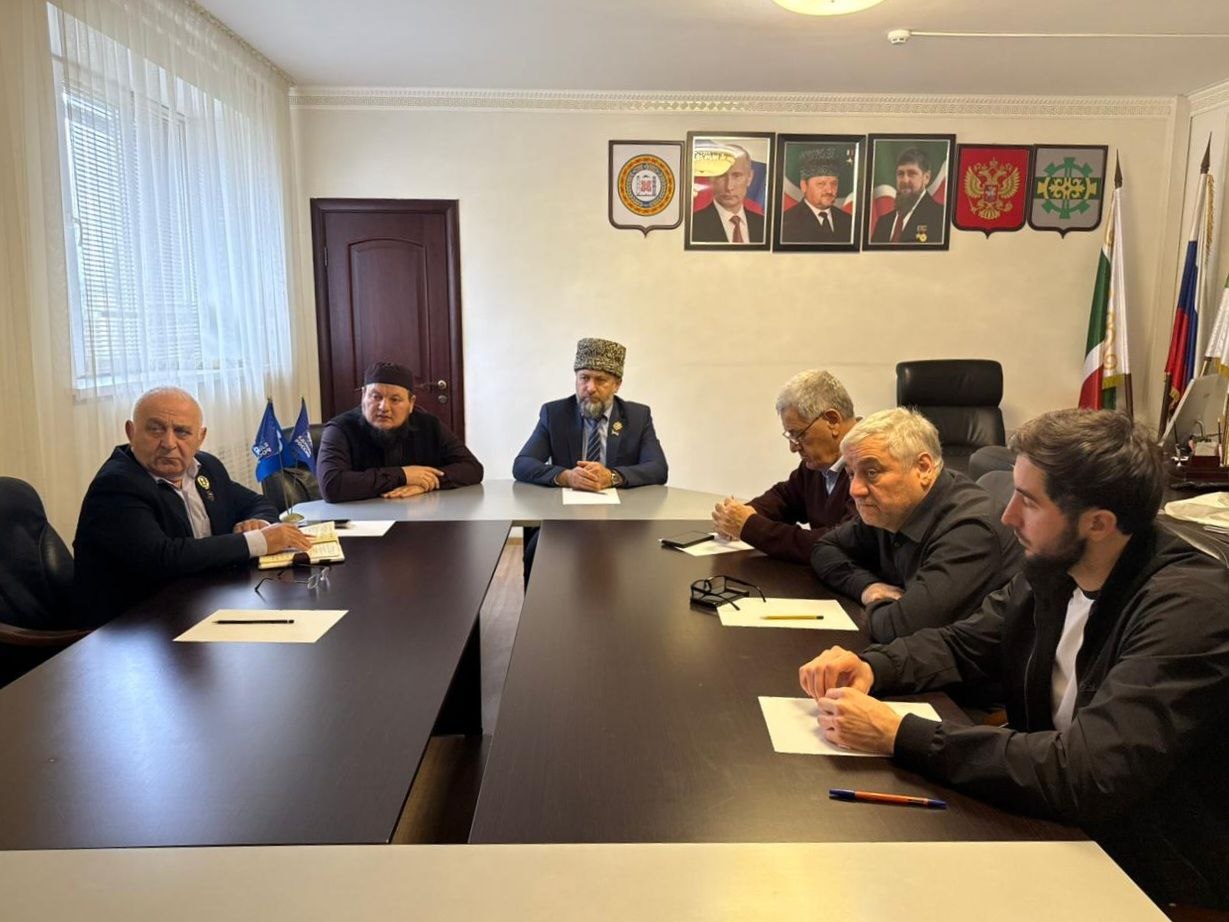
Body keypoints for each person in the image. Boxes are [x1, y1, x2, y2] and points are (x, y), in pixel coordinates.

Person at [798, 409, 1229, 910]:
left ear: (1098, 523)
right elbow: (965, 643)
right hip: (1058, 828)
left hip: (1156, 873)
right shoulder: (1054, 568)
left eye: (1028, 501)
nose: (1007, 517)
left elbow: (1087, 771)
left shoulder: (1189, 608)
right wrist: (874, 665)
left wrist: (899, 733)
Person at [73, 387, 313, 625]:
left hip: (204, 602)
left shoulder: (206, 467)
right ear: (131, 432)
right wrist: (258, 541)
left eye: (182, 432)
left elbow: (256, 502)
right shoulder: (116, 484)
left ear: (200, 437)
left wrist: (257, 522)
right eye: (155, 429)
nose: (168, 443)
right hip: (135, 624)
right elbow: (163, 557)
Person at [811, 407, 1021, 642]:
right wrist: (867, 587)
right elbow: (824, 549)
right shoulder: (890, 510)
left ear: (923, 468)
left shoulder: (971, 531)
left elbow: (899, 628)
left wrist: (880, 606)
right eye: (851, 474)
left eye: (871, 472)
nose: (855, 489)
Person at [712, 370, 857, 565]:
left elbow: (838, 544)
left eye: (799, 435)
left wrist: (750, 526)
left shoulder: (871, 466)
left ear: (832, 421)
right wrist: (739, 515)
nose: (793, 447)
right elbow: (784, 499)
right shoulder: (817, 465)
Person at [513, 337, 667, 491]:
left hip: (622, 505)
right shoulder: (554, 414)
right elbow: (522, 464)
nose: (591, 388)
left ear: (617, 385)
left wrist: (612, 477)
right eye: (584, 378)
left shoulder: (637, 417)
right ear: (576, 379)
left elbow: (658, 468)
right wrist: (567, 477)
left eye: (600, 380)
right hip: (566, 504)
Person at [316, 361, 483, 502]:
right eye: (376, 397)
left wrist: (424, 482)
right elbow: (332, 485)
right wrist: (403, 475)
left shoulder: (429, 425)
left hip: (419, 516)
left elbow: (473, 468)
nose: (384, 407)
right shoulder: (340, 429)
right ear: (363, 396)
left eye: (395, 400)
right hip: (360, 522)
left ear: (411, 403)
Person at [869, 147, 946, 245]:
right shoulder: (883, 222)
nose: (905, 180)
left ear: (926, 177)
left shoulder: (940, 217)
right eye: (900, 174)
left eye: (912, 173)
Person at [690, 146, 765, 244]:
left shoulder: (764, 225)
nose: (729, 187)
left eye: (737, 175)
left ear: (749, 178)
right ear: (711, 178)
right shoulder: (693, 225)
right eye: (721, 175)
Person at [780, 148, 854, 244]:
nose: (829, 190)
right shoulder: (787, 223)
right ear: (804, 186)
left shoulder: (848, 221)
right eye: (821, 184)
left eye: (834, 183)